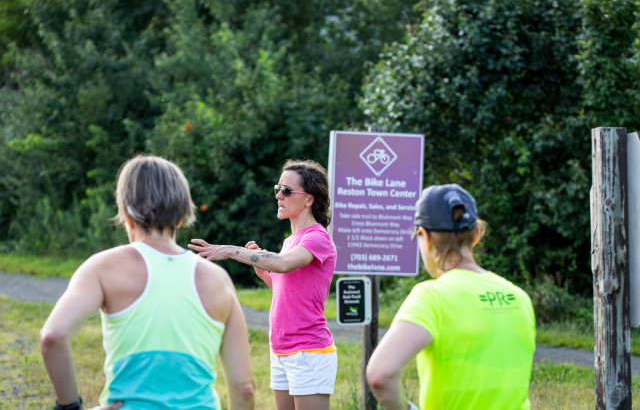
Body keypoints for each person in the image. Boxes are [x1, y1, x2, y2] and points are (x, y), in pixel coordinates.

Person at [40, 155, 255, 410]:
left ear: (125, 211)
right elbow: (244, 389)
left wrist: (70, 407)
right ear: (182, 213)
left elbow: (52, 336)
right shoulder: (218, 280)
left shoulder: (102, 267)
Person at [366, 184, 536, 410]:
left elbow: (380, 374)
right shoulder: (519, 297)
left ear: (424, 237)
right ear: (476, 234)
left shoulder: (432, 297)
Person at [188, 159, 337, 410]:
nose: (279, 195)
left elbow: (282, 264)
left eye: (286, 191)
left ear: (309, 199)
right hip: (281, 349)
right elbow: (286, 288)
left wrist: (232, 251)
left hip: (309, 352)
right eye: (277, 188)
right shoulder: (291, 241)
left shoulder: (318, 238)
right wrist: (262, 271)